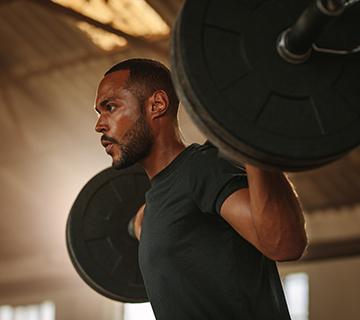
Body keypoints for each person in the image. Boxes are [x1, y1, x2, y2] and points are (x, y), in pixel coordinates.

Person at [94, 58, 307, 320]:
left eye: (110, 107)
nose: (100, 125)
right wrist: (138, 224)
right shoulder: (156, 202)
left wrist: (251, 136)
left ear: (157, 105)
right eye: (99, 113)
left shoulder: (203, 168)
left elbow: (284, 244)